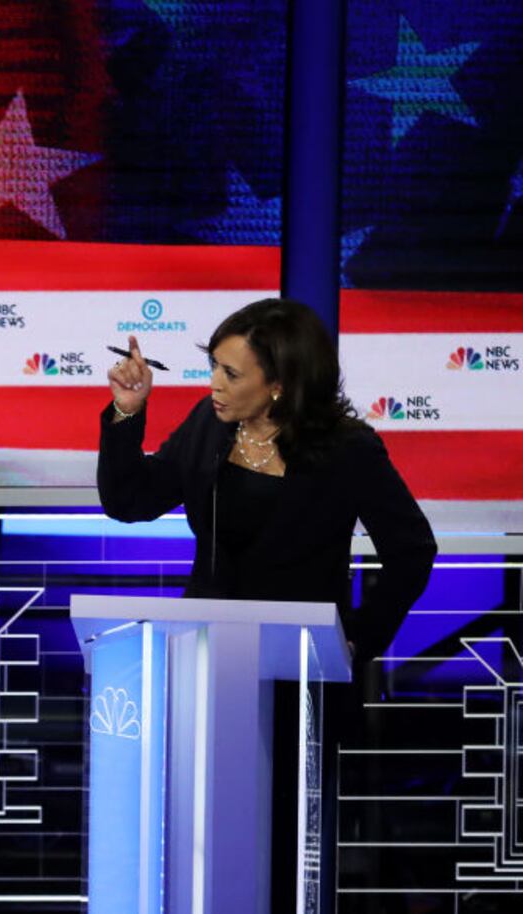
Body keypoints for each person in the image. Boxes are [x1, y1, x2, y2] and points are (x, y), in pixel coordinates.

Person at [99, 297, 436, 914]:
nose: (213, 386)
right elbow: (131, 500)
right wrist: (128, 413)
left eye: (231, 374)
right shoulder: (209, 424)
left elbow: (412, 551)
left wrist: (355, 639)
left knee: (282, 850)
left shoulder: (348, 450)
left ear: (278, 384)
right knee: (196, 840)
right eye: (212, 368)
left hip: (298, 681)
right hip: (205, 670)